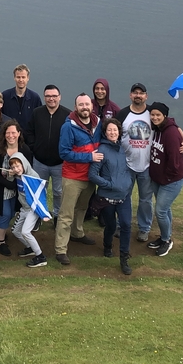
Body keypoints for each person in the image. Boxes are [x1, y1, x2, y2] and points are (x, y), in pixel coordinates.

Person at [116, 83, 183, 242]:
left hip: (148, 166)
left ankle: (144, 228)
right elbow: (112, 132)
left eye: (141, 93)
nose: (138, 95)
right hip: (127, 165)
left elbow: (173, 125)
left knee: (145, 200)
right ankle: (122, 224)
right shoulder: (122, 114)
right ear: (130, 95)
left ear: (146, 96)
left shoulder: (153, 113)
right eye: (135, 93)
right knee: (123, 196)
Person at [54, 93, 102, 266]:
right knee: (66, 214)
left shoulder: (98, 123)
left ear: (92, 106)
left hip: (90, 176)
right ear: (76, 107)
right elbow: (64, 153)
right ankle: (60, 249)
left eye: (87, 104)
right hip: (73, 177)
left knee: (82, 208)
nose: (84, 108)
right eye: (81, 105)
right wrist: (89, 157)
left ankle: (77, 233)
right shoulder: (68, 127)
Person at [89, 119, 134, 275]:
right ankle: (107, 246)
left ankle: (124, 258)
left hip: (124, 195)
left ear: (119, 131)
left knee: (127, 225)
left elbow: (127, 169)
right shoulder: (101, 150)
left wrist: (128, 183)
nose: (113, 133)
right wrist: (108, 185)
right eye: (109, 130)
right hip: (107, 197)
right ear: (105, 132)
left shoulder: (123, 148)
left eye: (115, 130)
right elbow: (92, 175)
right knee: (111, 226)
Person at [0, 120, 32, 256]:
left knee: (11, 213)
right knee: (5, 214)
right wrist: (9, 183)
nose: (11, 136)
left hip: (18, 189)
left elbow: (28, 170)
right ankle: (0, 242)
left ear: (19, 133)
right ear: (4, 134)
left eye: (13, 133)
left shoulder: (25, 150)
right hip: (1, 189)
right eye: (8, 133)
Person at [24, 84, 70, 220]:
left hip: (59, 163)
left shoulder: (67, 115)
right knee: (39, 191)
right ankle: (39, 216)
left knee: (59, 192)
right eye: (48, 96)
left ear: (59, 97)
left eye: (54, 96)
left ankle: (57, 216)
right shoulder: (37, 113)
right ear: (44, 98)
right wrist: (34, 147)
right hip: (39, 161)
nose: (51, 99)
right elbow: (29, 132)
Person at [147, 102, 183, 257]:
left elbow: (174, 161)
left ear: (164, 116)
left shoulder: (170, 133)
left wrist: (167, 177)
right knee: (165, 209)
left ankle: (167, 240)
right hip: (158, 178)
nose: (155, 117)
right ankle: (165, 236)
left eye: (158, 115)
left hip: (171, 180)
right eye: (153, 114)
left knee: (160, 211)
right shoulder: (157, 129)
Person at [8, 152, 51, 268]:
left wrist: (43, 213)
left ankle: (40, 256)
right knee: (16, 231)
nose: (16, 169)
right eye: (13, 167)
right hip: (24, 208)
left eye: (18, 166)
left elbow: (41, 196)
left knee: (25, 232)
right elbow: (8, 175)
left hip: (33, 209)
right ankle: (31, 248)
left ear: (24, 164)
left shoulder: (33, 176)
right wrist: (11, 174)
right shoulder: (17, 175)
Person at [2, 64, 42, 129]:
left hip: (28, 138)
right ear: (14, 78)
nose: (21, 80)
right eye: (18, 77)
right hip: (9, 136)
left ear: (28, 78)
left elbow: (39, 120)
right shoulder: (5, 96)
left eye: (23, 77)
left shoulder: (35, 98)